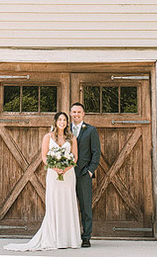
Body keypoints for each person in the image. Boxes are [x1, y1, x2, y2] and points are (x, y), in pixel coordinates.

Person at [4, 112, 81, 251]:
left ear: (67, 123)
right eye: (60, 120)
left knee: (67, 203)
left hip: (68, 175)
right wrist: (55, 168)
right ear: (55, 122)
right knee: (54, 203)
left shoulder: (72, 138)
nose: (62, 122)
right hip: (53, 174)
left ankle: (69, 239)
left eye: (64, 120)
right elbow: (44, 157)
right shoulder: (48, 137)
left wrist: (65, 168)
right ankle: (54, 238)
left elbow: (74, 157)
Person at [70, 102, 101, 248]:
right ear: (70, 113)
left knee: (85, 207)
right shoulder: (64, 130)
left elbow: (96, 152)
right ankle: (68, 236)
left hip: (83, 174)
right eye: (73, 112)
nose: (76, 114)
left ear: (83, 114)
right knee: (67, 206)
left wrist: (90, 171)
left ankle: (86, 237)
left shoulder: (90, 130)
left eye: (78, 112)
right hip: (67, 174)